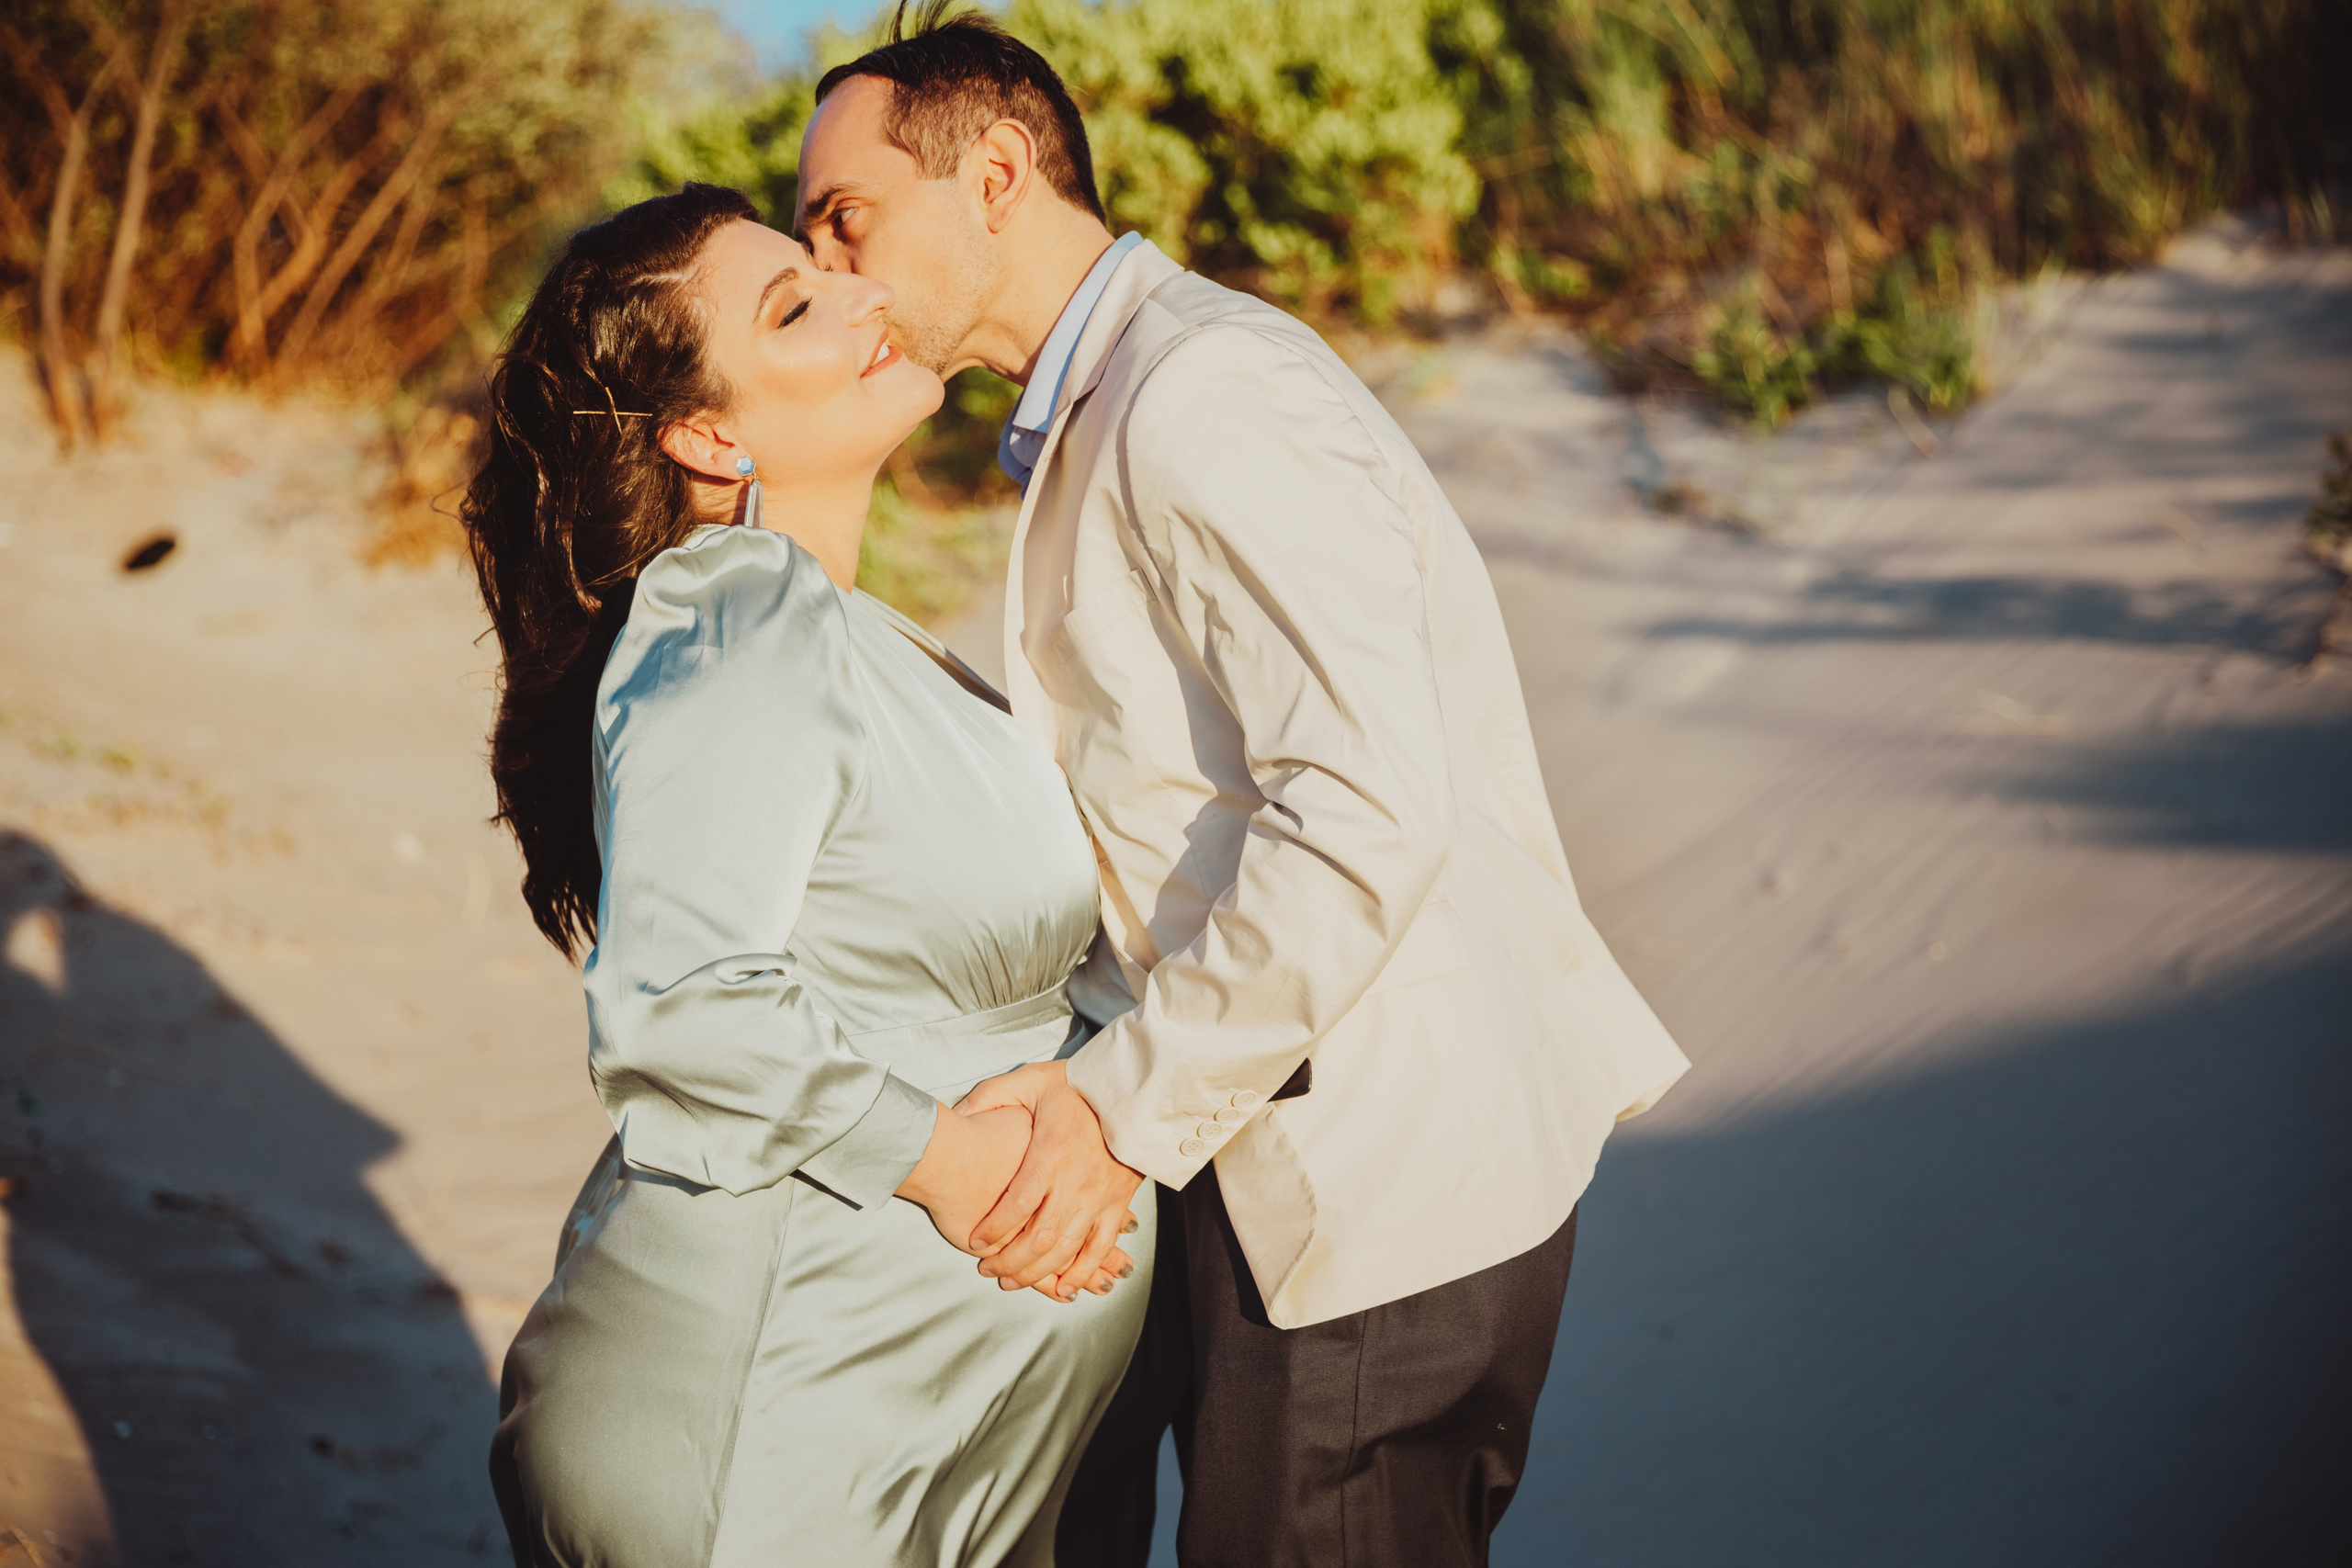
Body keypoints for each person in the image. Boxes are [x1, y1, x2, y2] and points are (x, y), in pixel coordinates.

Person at [794, 8, 1693, 1565]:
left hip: (1372, 1209)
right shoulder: (1118, 400)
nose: (837, 269)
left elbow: (1365, 806)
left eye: (845, 217)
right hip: (1285, 1179)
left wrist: (1113, 1113)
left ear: (997, 172)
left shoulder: (1202, 390)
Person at [465, 183, 1149, 1568]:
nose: (867, 295)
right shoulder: (737, 613)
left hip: (905, 1424)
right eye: (796, 306)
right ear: (710, 433)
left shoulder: (859, 637)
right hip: (775, 1420)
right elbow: (687, 1008)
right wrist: (965, 1170)